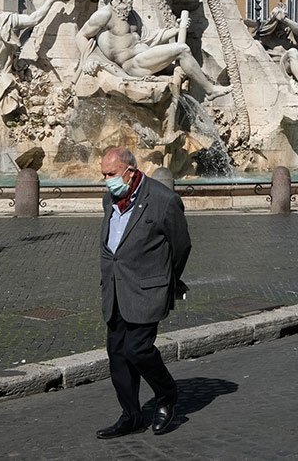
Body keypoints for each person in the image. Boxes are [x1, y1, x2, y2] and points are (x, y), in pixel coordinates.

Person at [95, 146, 192, 438]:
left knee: (137, 349)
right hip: (115, 289)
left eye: (110, 174)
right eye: (103, 175)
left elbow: (181, 246)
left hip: (148, 289)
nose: (106, 180)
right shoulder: (109, 199)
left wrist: (167, 279)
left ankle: (167, 394)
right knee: (118, 355)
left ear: (130, 170)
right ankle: (131, 415)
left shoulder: (163, 201)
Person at [76, 0, 230, 98]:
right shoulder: (105, 15)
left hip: (144, 57)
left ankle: (206, 86)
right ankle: (210, 90)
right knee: (182, 50)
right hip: (132, 65)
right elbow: (81, 35)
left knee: (184, 66)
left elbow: (149, 38)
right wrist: (89, 59)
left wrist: (176, 29)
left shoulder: (132, 15)